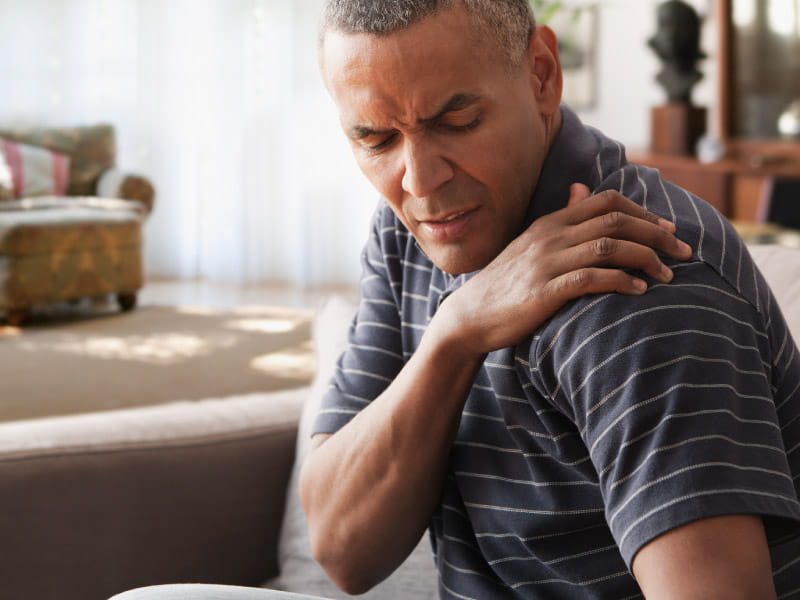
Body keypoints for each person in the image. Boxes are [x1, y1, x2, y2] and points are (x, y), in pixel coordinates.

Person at [113, 0, 800, 598]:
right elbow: (344, 547)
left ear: (541, 76)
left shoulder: (639, 287)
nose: (419, 179)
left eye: (456, 121)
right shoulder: (408, 231)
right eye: (375, 138)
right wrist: (457, 333)